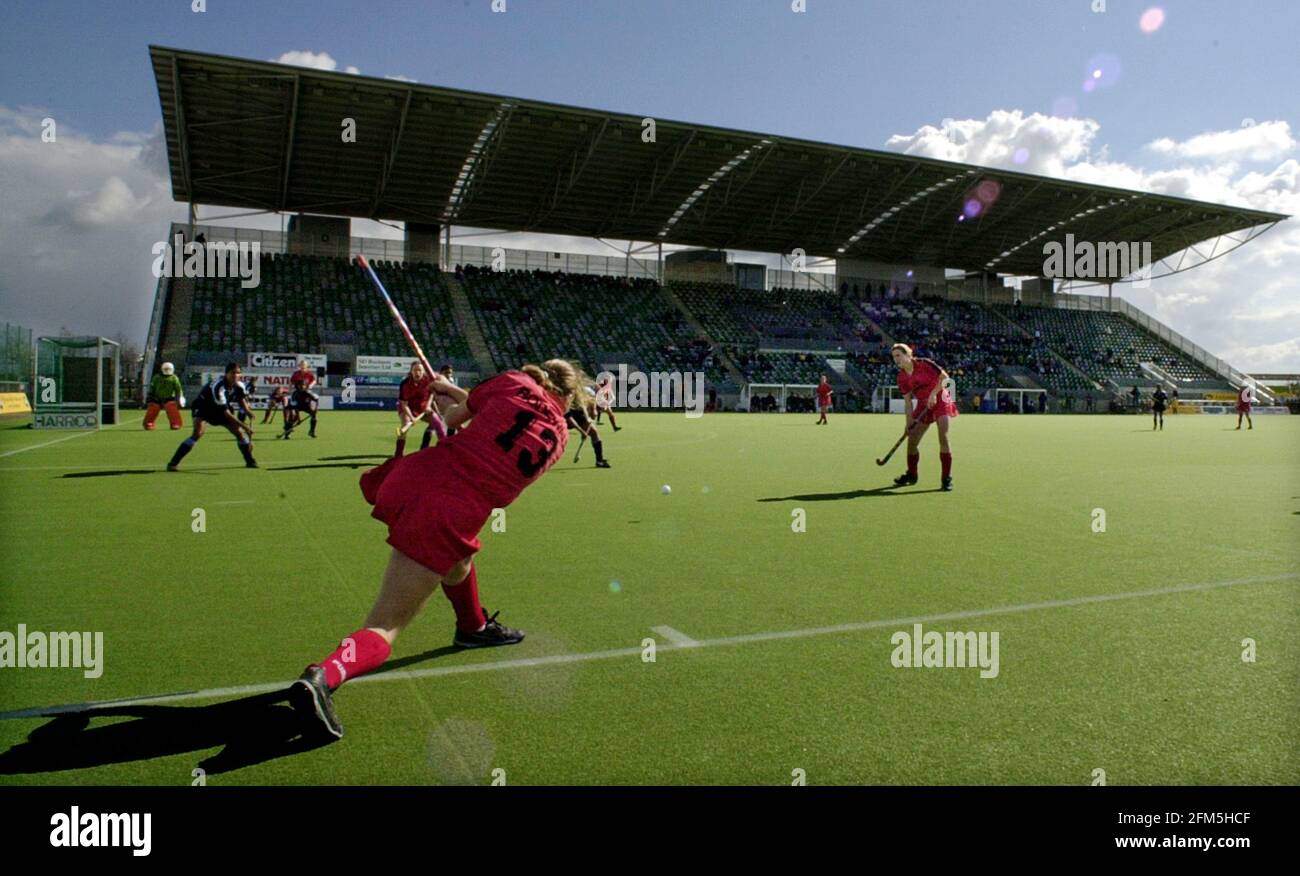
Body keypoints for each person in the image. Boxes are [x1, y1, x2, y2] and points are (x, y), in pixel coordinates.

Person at [289, 360, 584, 739]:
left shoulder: (512, 383)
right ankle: (324, 676)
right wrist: (453, 397)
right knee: (385, 626)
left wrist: (449, 395)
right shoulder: (559, 436)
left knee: (459, 561)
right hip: (447, 507)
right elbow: (487, 422)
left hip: (416, 475)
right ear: (570, 396)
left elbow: (458, 415)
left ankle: (472, 626)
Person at [890, 343, 957, 491]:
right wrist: (908, 423)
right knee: (912, 441)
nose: (896, 359)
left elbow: (945, 378)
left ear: (908, 354)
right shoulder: (901, 377)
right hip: (923, 404)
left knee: (943, 437)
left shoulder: (924, 363)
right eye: (894, 357)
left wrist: (933, 394)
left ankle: (946, 478)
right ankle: (912, 474)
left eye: (898, 355)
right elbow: (908, 403)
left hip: (941, 399)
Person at [166, 362, 257, 470]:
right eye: (233, 373)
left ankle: (250, 461)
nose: (235, 375)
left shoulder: (239, 385)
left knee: (239, 433)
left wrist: (247, 411)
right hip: (204, 408)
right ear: (226, 373)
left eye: (238, 373)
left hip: (220, 409)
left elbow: (241, 398)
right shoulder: (219, 387)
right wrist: (245, 427)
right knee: (198, 433)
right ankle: (173, 463)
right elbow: (226, 414)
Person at [394, 361, 441, 456]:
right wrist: (411, 417)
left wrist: (428, 405)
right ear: (411, 371)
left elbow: (432, 394)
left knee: (436, 422)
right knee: (405, 424)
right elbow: (404, 404)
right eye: (415, 370)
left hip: (423, 408)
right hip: (407, 408)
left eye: (420, 370)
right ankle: (398, 454)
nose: (417, 372)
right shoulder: (405, 383)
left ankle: (424, 447)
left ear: (423, 371)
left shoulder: (428, 380)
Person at [567, 388, 612, 468]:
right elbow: (592, 414)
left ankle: (599, 460)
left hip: (573, 412)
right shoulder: (591, 395)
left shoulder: (588, 392)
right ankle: (599, 461)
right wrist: (590, 416)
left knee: (594, 433)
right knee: (594, 433)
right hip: (574, 413)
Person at [282, 359, 320, 439]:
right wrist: (298, 418)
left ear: (306, 366)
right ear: (299, 366)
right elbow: (291, 382)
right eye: (301, 365)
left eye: (304, 365)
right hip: (297, 401)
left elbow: (314, 382)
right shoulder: (296, 374)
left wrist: (310, 386)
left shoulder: (309, 374)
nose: (302, 367)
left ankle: (311, 431)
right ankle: (287, 433)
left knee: (314, 416)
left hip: (306, 396)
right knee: (293, 417)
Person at [143, 362, 184, 430]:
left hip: (169, 398)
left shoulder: (174, 378)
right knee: (153, 407)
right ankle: (148, 423)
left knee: (171, 407)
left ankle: (175, 424)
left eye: (169, 369)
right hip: (156, 398)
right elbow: (152, 387)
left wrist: (179, 397)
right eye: (166, 369)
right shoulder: (156, 377)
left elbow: (178, 389)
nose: (167, 371)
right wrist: (150, 395)